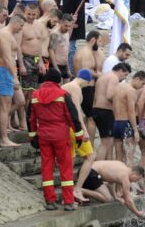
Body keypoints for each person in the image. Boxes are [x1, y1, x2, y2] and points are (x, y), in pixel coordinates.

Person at [27, 68, 84, 211]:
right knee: (65, 168)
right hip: (61, 136)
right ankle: (69, 201)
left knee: (47, 168)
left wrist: (33, 136)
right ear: (58, 81)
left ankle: (50, 201)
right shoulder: (63, 94)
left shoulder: (34, 95)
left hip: (44, 136)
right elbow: (73, 117)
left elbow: (31, 119)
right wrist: (79, 135)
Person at [61, 68, 94, 203]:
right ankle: (77, 189)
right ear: (87, 80)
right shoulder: (75, 88)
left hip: (63, 127)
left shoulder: (65, 86)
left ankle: (67, 196)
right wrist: (84, 130)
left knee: (70, 160)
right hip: (73, 127)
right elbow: (75, 111)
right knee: (91, 156)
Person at [0, 14, 26, 147]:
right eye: (21, 26)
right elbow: (7, 58)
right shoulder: (5, 34)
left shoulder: (8, 33)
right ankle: (3, 139)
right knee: (5, 106)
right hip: (4, 72)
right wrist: (15, 77)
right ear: (15, 23)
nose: (21, 29)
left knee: (20, 101)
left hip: (9, 72)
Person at [93, 62, 131, 161]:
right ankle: (96, 168)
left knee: (106, 141)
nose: (124, 78)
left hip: (97, 109)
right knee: (106, 143)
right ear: (120, 71)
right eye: (125, 75)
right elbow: (110, 95)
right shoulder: (114, 78)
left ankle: (103, 166)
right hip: (105, 111)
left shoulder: (104, 76)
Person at [79, 160, 145, 218]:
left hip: (84, 169)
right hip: (90, 173)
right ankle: (82, 191)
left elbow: (111, 183)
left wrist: (115, 197)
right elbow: (128, 201)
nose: (135, 181)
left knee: (108, 194)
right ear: (135, 174)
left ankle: (83, 192)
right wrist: (137, 213)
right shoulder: (125, 178)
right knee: (107, 198)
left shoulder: (122, 166)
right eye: (137, 179)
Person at [73, 30, 105, 147]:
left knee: (88, 117)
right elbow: (86, 71)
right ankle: (90, 146)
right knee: (92, 118)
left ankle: (85, 146)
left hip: (87, 88)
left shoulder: (86, 51)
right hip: (86, 88)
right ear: (93, 40)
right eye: (99, 41)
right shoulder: (86, 53)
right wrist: (100, 75)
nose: (100, 44)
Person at [112, 71, 145, 167]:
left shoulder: (118, 87)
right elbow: (131, 112)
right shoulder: (131, 91)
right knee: (129, 156)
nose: (142, 86)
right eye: (142, 83)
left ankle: (118, 181)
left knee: (118, 156)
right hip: (126, 124)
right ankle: (127, 181)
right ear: (137, 79)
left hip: (116, 123)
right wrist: (135, 130)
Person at [56, 0, 85, 76]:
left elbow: (80, 7)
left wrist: (77, 22)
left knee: (71, 48)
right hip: (62, 22)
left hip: (73, 22)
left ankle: (71, 72)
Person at [19, 3, 45, 109]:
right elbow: (18, 46)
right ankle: (20, 118)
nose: (30, 17)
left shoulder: (39, 24)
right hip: (25, 58)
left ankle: (27, 116)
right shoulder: (21, 25)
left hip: (37, 58)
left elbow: (40, 44)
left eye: (33, 14)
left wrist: (41, 62)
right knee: (24, 90)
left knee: (33, 91)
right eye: (28, 14)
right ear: (24, 12)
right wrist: (21, 65)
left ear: (38, 13)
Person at [49, 14, 73, 83]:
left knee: (67, 90)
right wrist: (56, 68)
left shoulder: (66, 33)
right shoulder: (55, 34)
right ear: (60, 23)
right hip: (56, 65)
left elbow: (65, 52)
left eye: (69, 26)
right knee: (57, 90)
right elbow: (51, 50)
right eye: (66, 26)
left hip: (65, 65)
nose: (67, 28)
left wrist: (68, 69)